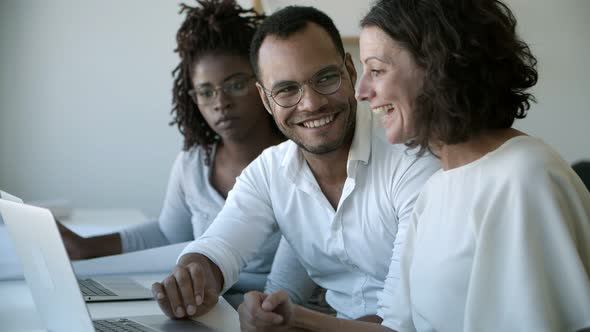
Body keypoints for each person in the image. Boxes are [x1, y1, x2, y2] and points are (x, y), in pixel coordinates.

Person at [240, 0, 590, 331]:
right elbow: (400, 327)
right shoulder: (437, 187)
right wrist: (295, 319)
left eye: (375, 70)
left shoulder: (524, 177)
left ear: (438, 69)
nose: (361, 91)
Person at [151, 5, 440, 323]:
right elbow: (219, 247)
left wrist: (298, 323)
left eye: (326, 78)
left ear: (350, 70)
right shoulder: (270, 170)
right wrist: (191, 279)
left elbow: (402, 324)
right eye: (287, 89)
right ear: (265, 98)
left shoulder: (411, 156)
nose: (311, 103)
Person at [56, 0, 285, 307]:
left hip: (272, 311)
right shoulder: (193, 164)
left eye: (236, 84)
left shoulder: (294, 162)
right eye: (205, 92)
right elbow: (169, 234)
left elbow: (292, 287)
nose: (221, 102)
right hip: (211, 308)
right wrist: (85, 247)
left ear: (261, 84)